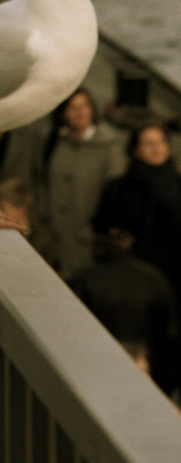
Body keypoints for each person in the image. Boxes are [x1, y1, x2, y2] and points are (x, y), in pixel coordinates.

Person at [69, 230, 178, 394]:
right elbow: (171, 337)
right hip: (150, 376)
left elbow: (72, 337)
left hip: (98, 376)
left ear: (96, 246)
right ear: (128, 243)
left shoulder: (82, 280)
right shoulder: (155, 279)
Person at [38, 87, 125, 280]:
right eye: (73, 107)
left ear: (92, 109)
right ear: (63, 113)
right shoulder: (54, 140)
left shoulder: (110, 146)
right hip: (53, 236)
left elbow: (115, 194)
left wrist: (98, 233)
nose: (80, 112)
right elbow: (42, 180)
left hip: (88, 239)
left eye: (84, 105)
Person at [94, 119, 181, 303]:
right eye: (149, 143)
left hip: (174, 272)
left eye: (161, 142)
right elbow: (104, 227)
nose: (156, 148)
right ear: (135, 149)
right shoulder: (119, 187)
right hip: (134, 275)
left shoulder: (177, 183)